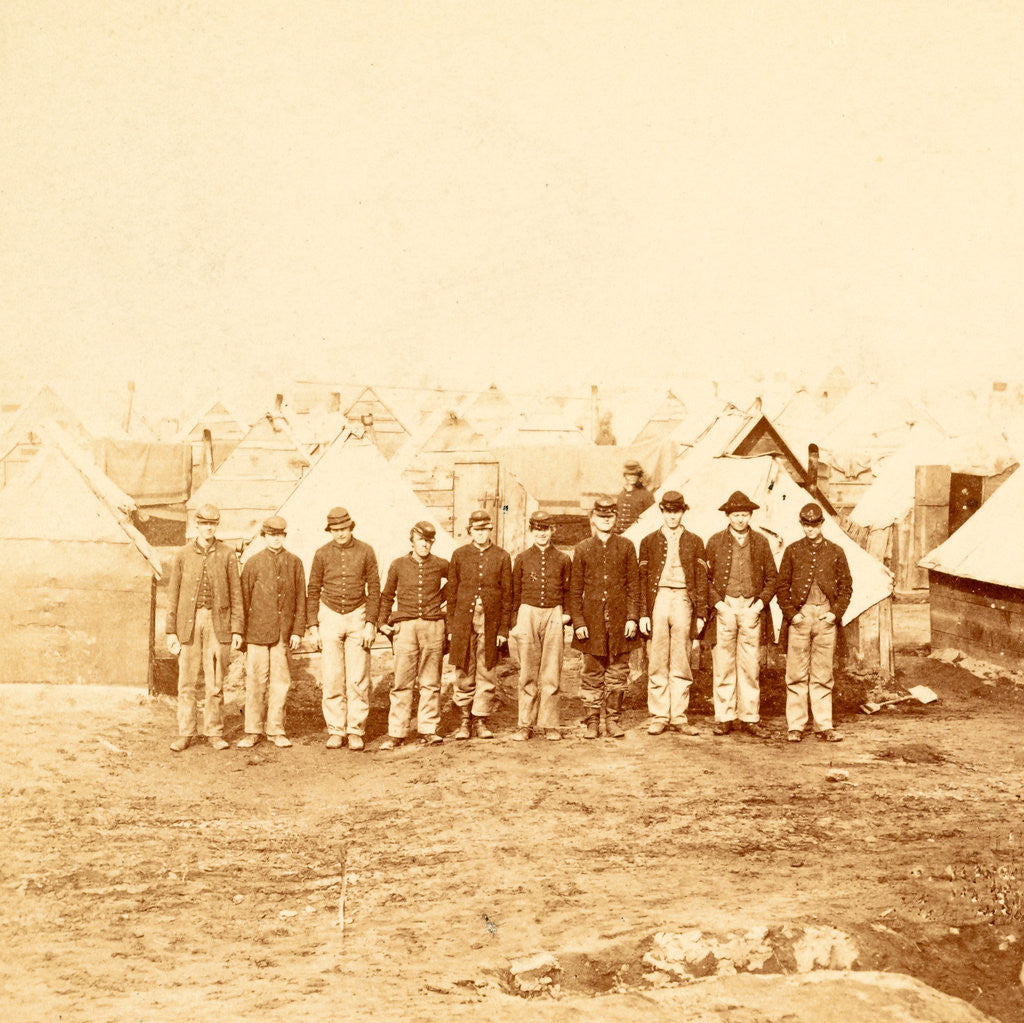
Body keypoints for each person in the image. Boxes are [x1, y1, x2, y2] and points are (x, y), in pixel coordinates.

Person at [165, 504, 243, 752]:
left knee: (215, 682)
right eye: (204, 524)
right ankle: (185, 732)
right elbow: (173, 594)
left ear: (217, 526)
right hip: (188, 623)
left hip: (218, 624)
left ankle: (214, 732)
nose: (209, 528)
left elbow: (236, 594)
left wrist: (237, 629)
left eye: (213, 524)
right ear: (196, 525)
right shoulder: (182, 554)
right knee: (186, 682)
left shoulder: (227, 554)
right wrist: (170, 631)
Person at [777, 502, 853, 743]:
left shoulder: (836, 551)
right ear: (801, 525)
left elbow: (846, 587)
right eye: (806, 525)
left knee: (822, 674)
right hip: (800, 617)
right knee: (796, 674)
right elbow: (781, 586)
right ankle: (796, 726)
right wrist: (792, 614)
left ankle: (824, 725)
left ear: (822, 524)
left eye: (814, 524)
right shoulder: (792, 551)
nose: (810, 529)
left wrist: (834, 614)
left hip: (825, 618)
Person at [306, 507, 380, 751]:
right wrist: (313, 626)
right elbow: (313, 590)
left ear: (351, 528)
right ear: (330, 531)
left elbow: (374, 589)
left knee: (358, 677)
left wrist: (370, 623)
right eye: (335, 530)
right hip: (329, 616)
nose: (340, 534)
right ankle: (336, 729)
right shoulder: (321, 554)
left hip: (358, 615)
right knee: (332, 677)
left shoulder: (366, 551)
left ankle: (356, 730)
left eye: (344, 529)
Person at [705, 491, 778, 738]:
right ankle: (725, 717)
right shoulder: (715, 541)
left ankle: (749, 717)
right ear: (728, 516)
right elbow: (704, 578)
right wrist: (719, 604)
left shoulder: (761, 542)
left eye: (744, 514)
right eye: (736, 514)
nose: (740, 519)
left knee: (749, 666)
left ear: (750, 516)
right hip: (725, 608)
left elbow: (772, 578)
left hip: (750, 609)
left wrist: (759, 605)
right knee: (723, 665)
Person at [568, 496, 641, 739]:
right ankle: (592, 721)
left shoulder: (627, 546)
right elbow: (575, 590)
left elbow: (634, 586)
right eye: (601, 517)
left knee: (618, 671)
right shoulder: (582, 548)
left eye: (610, 517)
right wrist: (579, 622)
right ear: (593, 518)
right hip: (592, 622)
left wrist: (632, 617)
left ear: (616, 518)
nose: (606, 521)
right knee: (591, 671)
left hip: (620, 621)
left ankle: (613, 720)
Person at [638, 490, 708, 736]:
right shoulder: (648, 541)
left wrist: (701, 613)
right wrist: (643, 613)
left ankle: (678, 715)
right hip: (658, 599)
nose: (672, 517)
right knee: (657, 659)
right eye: (668, 512)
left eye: (676, 512)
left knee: (681, 659)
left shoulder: (695, 541)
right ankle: (659, 715)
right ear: (662, 511)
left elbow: (701, 579)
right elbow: (642, 579)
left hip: (683, 599)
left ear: (683, 512)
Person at [377, 521, 449, 749]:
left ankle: (428, 728)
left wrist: (439, 600)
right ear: (412, 542)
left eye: (429, 541)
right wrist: (382, 622)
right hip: (405, 628)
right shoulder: (398, 565)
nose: (425, 545)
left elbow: (457, 582)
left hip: (433, 626)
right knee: (402, 681)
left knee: (431, 681)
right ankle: (397, 732)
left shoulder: (440, 564)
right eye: (421, 540)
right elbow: (387, 595)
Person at [237, 516, 305, 749]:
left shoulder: (294, 563)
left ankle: (276, 730)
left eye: (280, 535)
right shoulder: (253, 563)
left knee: (280, 683)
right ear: (264, 537)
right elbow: (243, 600)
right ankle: (253, 730)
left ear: (285, 536)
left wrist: (297, 631)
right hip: (256, 633)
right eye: (272, 535)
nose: (276, 539)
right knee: (255, 681)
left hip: (283, 634)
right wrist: (242, 634)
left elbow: (301, 599)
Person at [446, 510, 513, 740]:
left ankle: (480, 719)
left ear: (490, 530)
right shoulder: (459, 555)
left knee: (487, 668)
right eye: (477, 530)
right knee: (464, 667)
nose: (481, 534)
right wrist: (451, 628)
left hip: (490, 621)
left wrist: (503, 629)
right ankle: (464, 720)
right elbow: (451, 594)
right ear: (470, 531)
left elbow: (507, 596)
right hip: (463, 621)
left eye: (485, 529)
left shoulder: (502, 556)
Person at [510, 511, 572, 741]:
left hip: (554, 613)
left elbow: (569, 590)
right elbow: (514, 591)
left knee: (551, 670)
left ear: (552, 530)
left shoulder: (563, 559)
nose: (541, 534)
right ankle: (525, 724)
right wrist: (514, 621)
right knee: (527, 670)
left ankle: (550, 723)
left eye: (545, 529)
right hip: (527, 612)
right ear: (531, 531)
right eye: (537, 529)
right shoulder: (522, 558)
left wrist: (567, 615)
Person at [613, 460, 655, 534]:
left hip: (636, 533)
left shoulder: (646, 495)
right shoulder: (622, 494)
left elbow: (651, 518)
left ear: (639, 476)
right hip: (619, 533)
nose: (632, 477)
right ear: (625, 476)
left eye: (635, 475)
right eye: (629, 475)